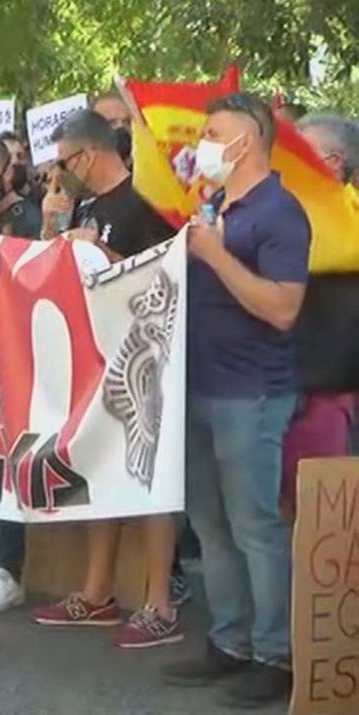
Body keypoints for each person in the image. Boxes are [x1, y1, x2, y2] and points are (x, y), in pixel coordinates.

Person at [160, 93, 309, 709]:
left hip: (252, 393)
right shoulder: (215, 206)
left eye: (213, 132)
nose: (203, 143)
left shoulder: (280, 213)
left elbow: (282, 308)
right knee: (210, 522)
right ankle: (231, 642)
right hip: (201, 388)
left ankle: (276, 655)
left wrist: (216, 256)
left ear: (245, 143)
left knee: (253, 526)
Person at [31, 109, 185, 647]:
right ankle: (97, 592)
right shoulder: (87, 204)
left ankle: (158, 601)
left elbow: (165, 275)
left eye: (63, 163)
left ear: (88, 154)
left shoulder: (147, 200)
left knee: (152, 477)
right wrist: (54, 227)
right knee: (102, 473)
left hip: (149, 360)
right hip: (97, 361)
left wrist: (98, 251)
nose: (59, 174)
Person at [278, 113, 359, 516]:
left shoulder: (349, 218)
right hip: (272, 395)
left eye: (298, 151)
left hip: (324, 398)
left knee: (322, 526)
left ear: (332, 162)